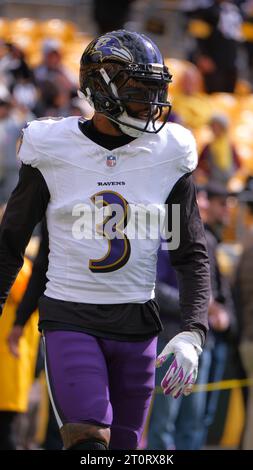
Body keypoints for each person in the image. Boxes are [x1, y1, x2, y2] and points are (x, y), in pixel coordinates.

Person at [0, 30, 210, 451]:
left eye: (157, 91)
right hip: (71, 317)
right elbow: (11, 242)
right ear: (101, 89)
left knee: (126, 452)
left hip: (138, 323)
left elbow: (191, 254)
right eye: (140, 92)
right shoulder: (52, 146)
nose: (152, 104)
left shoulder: (170, 151)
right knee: (89, 443)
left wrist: (193, 331)